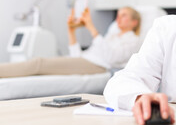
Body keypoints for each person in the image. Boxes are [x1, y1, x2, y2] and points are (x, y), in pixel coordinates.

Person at [0, 6, 141, 78]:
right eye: (118, 15)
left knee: (38, 63)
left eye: (123, 15)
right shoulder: (111, 36)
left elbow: (111, 58)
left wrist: (90, 26)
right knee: (39, 65)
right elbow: (76, 56)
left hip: (98, 66)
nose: (118, 18)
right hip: (87, 60)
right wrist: (71, 30)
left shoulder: (134, 41)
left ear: (134, 22)